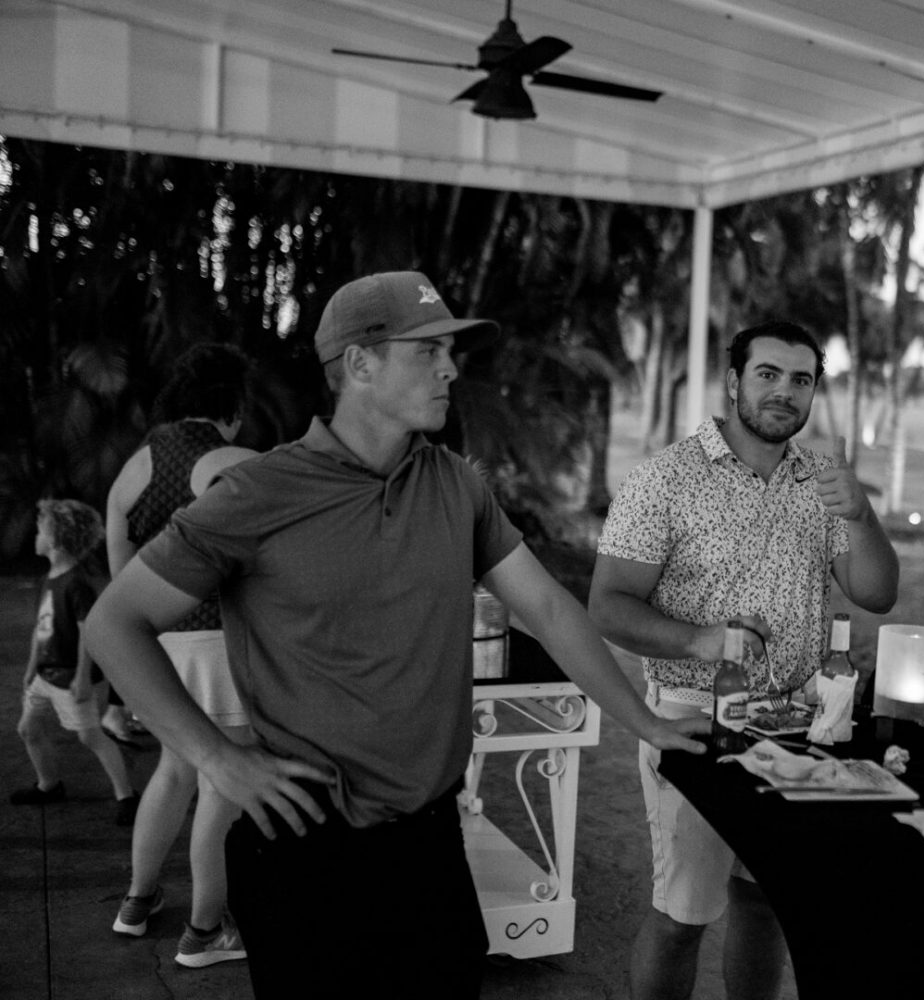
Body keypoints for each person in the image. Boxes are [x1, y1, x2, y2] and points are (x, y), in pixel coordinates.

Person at [83, 270, 708, 999]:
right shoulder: (259, 492)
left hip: (429, 843)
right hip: (305, 845)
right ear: (359, 364)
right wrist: (216, 758)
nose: (451, 369)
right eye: (429, 351)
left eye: (451, 351)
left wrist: (645, 723)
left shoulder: (455, 484)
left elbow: (546, 606)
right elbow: (112, 623)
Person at [589, 320, 900, 1000]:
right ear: (733, 382)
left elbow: (877, 591)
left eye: (801, 379)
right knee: (683, 917)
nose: (785, 392)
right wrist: (699, 641)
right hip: (695, 720)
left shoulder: (823, 481)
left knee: (765, 906)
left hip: (797, 723)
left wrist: (862, 514)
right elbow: (608, 605)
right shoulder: (665, 478)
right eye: (768, 374)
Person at [105, 344, 258, 967]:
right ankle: (205, 931)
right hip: (223, 650)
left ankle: (137, 904)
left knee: (173, 772)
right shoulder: (237, 462)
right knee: (224, 785)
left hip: (159, 650)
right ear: (233, 407)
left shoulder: (131, 470)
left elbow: (123, 586)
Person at [11, 500, 139, 825]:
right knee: (28, 728)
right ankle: (48, 785)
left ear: (55, 539)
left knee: (90, 736)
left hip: (69, 677)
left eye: (40, 530)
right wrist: (30, 667)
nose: (35, 536)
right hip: (45, 674)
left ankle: (127, 795)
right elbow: (41, 628)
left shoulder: (76, 584)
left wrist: (83, 676)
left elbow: (87, 634)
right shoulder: (50, 578)